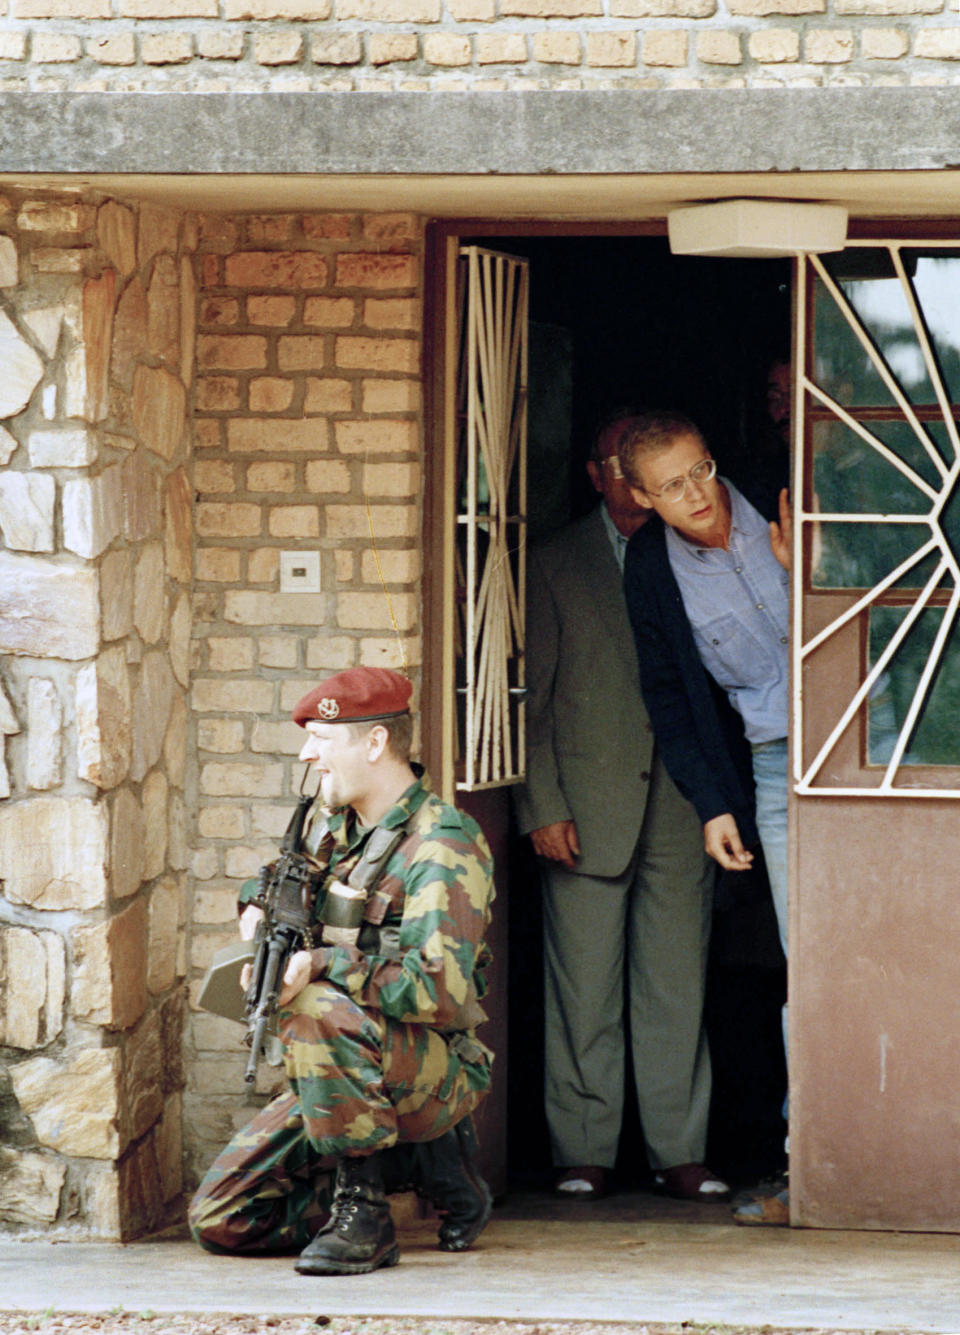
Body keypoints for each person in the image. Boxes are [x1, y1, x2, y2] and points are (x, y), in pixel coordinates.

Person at [189, 666, 496, 1274]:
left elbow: (439, 989)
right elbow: (277, 879)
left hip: (433, 1069)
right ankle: (411, 1169)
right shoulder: (334, 828)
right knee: (221, 1219)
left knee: (315, 1004)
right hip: (337, 1074)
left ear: (375, 744)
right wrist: (256, 910)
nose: (308, 754)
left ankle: (366, 1213)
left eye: (322, 741)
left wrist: (323, 963)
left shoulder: (443, 845)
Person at [513, 410, 728, 1204]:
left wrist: (719, 796)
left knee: (677, 985)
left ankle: (681, 1150)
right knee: (583, 990)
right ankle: (584, 1151)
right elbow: (527, 696)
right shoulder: (554, 561)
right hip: (583, 801)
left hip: (681, 802)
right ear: (605, 475)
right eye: (625, 463)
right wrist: (540, 802)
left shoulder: (700, 551)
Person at [618, 409, 791, 1225]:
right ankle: (808, 1159)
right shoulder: (652, 565)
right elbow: (668, 695)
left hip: (877, 747)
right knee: (805, 959)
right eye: (670, 486)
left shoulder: (788, 498)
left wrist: (812, 571)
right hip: (772, 762)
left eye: (699, 470)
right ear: (640, 499)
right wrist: (712, 804)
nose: (696, 494)